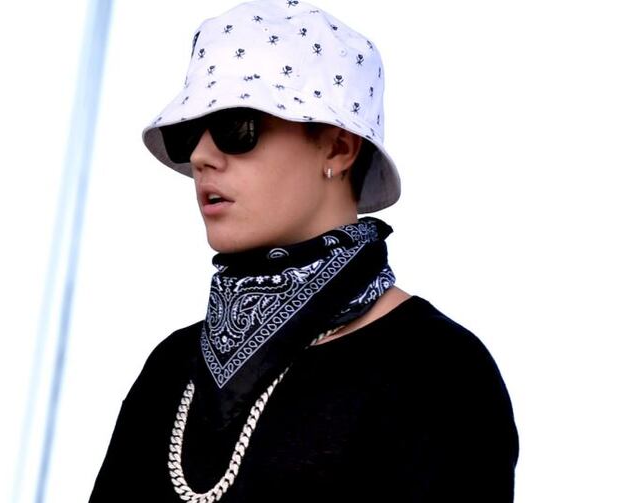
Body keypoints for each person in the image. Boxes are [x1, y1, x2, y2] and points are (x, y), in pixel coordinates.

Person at [89, 1, 518, 501]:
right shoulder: (171, 370)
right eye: (189, 132)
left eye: (236, 126)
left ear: (338, 147)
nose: (203, 156)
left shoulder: (441, 373)